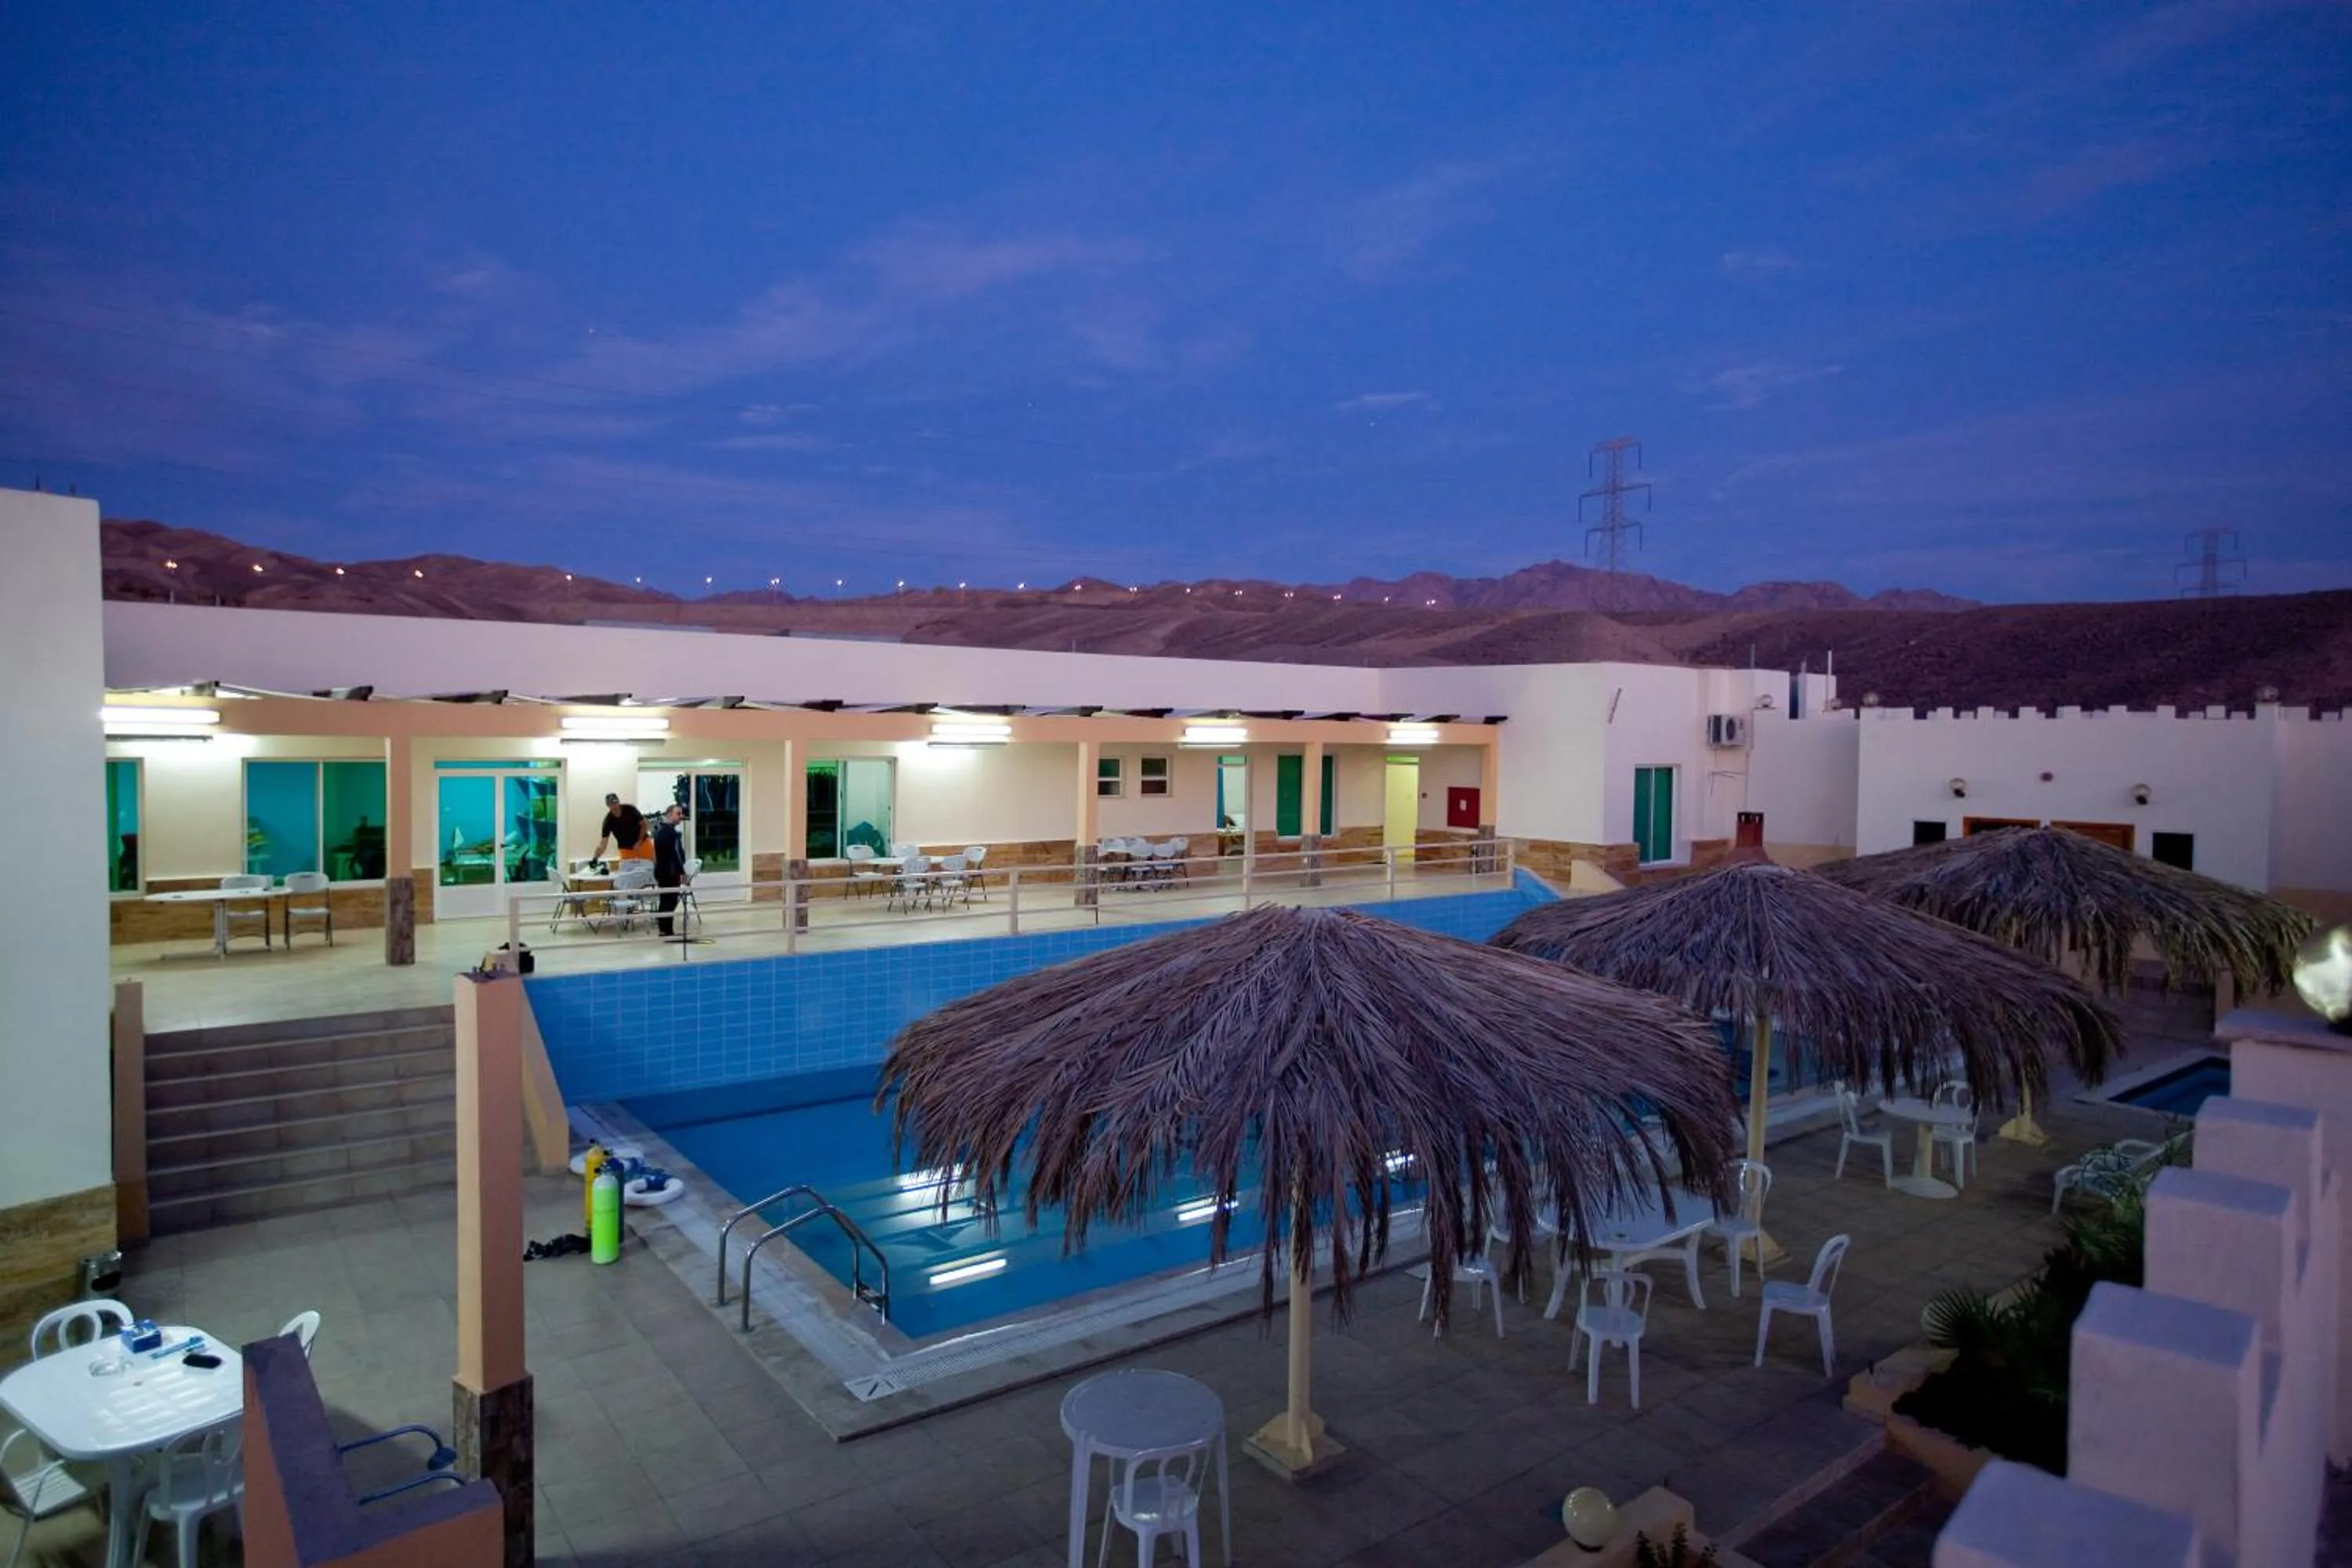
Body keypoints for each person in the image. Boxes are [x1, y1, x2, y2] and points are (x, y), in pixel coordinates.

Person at [652, 804, 688, 937]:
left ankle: (665, 930)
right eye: (678, 814)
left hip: (663, 871)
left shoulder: (661, 830)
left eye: (681, 813)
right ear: (669, 815)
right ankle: (667, 931)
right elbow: (675, 854)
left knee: (665, 901)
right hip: (670, 872)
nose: (681, 816)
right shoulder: (669, 833)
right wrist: (682, 872)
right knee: (670, 901)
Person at [589, 793, 625, 862]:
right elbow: (603, 845)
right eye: (611, 804)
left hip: (642, 844)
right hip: (625, 849)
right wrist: (595, 859)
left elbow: (643, 824)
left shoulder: (630, 809)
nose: (614, 805)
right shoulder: (608, 822)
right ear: (608, 806)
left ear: (619, 802)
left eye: (615, 802)